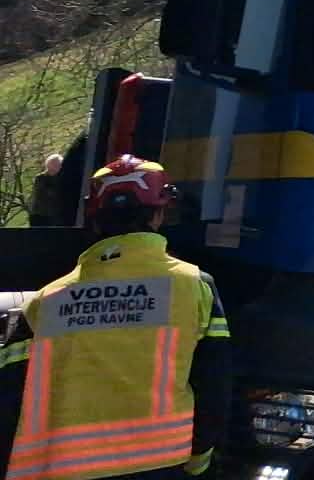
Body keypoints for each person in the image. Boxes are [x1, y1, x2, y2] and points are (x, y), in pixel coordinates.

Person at [0, 156, 232, 479]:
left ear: (94, 217)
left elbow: (9, 397)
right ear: (160, 213)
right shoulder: (194, 286)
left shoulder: (45, 301)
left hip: (60, 469)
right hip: (160, 466)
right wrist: (200, 461)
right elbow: (214, 386)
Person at [26, 156, 65, 227]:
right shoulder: (41, 178)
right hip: (41, 216)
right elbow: (48, 194)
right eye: (54, 166)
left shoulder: (63, 178)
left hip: (57, 216)